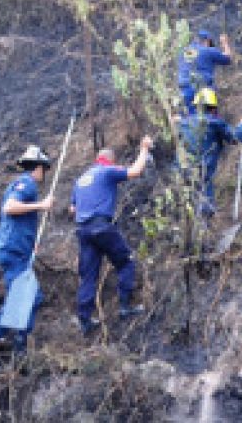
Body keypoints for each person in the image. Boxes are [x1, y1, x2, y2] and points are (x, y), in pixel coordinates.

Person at [0, 145, 56, 374]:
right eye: (44, 169)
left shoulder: (24, 184)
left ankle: (17, 351)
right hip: (12, 251)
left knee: (31, 297)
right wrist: (41, 205)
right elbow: (10, 207)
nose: (44, 174)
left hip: (17, 250)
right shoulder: (26, 183)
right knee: (23, 299)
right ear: (38, 167)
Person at [70, 136, 154, 334]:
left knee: (88, 275)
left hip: (83, 230)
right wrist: (143, 149)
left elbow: (72, 209)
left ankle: (84, 320)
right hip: (101, 226)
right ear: (111, 160)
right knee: (125, 262)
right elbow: (135, 171)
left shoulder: (80, 179)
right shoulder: (106, 171)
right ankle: (125, 307)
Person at [176, 88, 242, 218]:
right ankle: (204, 226)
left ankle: (192, 225)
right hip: (203, 169)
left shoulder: (184, 122)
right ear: (214, 108)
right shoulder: (215, 123)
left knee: (186, 201)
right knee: (204, 203)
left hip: (181, 168)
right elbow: (235, 138)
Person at [177, 30, 233, 115]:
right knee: (208, 120)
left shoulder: (183, 52)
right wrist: (224, 43)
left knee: (189, 121)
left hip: (184, 90)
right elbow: (228, 59)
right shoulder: (208, 50)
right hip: (202, 90)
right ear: (207, 41)